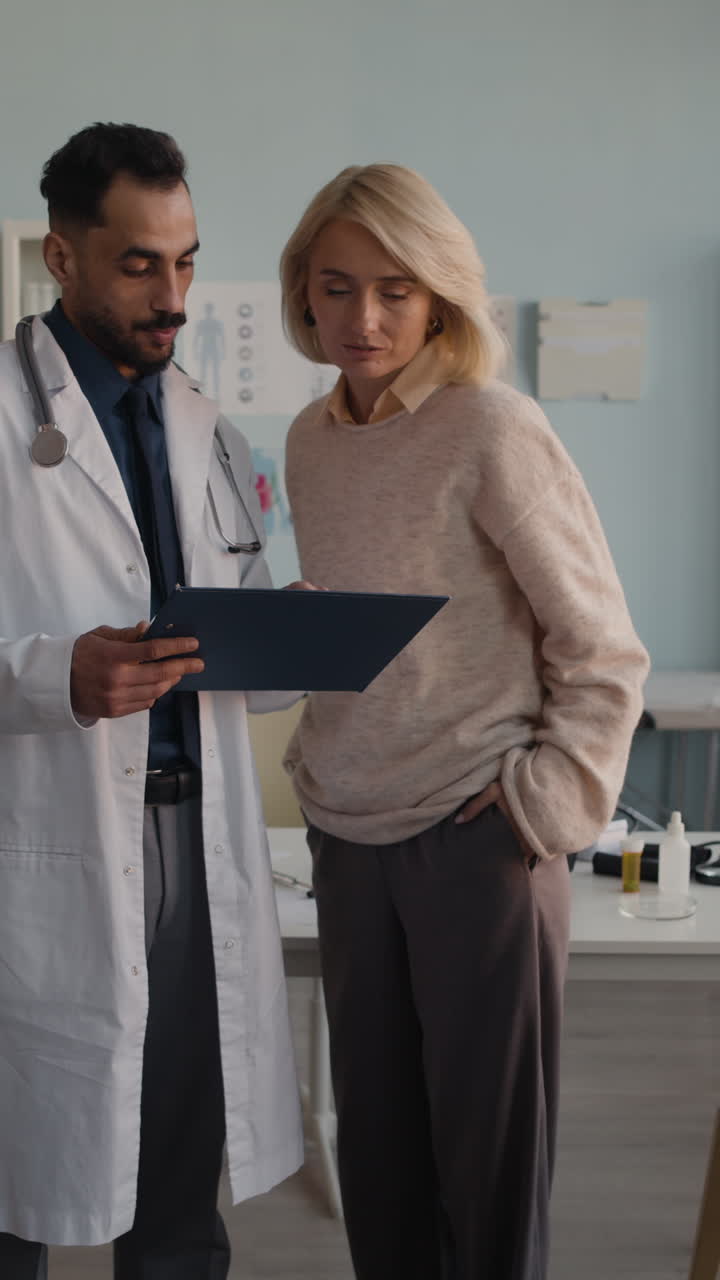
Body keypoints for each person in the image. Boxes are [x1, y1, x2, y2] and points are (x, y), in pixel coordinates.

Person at [280, 163, 650, 1280]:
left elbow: (602, 648)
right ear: (305, 293)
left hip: (475, 837)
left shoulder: (493, 425)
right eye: (337, 288)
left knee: (486, 1183)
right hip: (348, 836)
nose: (364, 318)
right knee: (380, 1168)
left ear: (440, 294)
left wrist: (535, 808)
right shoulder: (309, 438)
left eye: (395, 288)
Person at [0, 123, 306, 1279]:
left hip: (192, 835)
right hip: (40, 847)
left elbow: (235, 636)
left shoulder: (204, 428)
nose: (172, 294)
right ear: (61, 258)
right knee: (15, 1173)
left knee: (180, 1173)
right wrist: (51, 675)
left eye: (185, 262)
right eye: (138, 263)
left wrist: (298, 634)